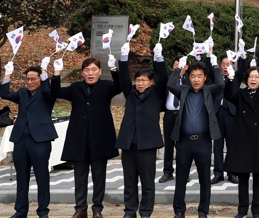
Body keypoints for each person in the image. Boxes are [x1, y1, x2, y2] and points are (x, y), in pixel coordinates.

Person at [51, 55, 121, 218]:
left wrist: (114, 69)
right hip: (79, 140)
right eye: (87, 70)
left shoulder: (106, 86)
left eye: (94, 70)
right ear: (82, 73)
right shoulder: (75, 88)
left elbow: (120, 87)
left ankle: (97, 209)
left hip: (100, 140)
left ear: (100, 71)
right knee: (80, 177)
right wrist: (56, 73)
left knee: (99, 176)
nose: (90, 73)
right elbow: (56, 92)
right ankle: (80, 208)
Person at [116, 43, 168, 218]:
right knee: (129, 181)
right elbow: (123, 78)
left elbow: (164, 78)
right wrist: (123, 58)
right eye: (138, 80)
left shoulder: (157, 94)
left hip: (147, 145)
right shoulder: (130, 92)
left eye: (144, 80)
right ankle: (130, 211)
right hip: (128, 144)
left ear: (151, 82)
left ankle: (145, 212)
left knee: (147, 183)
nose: (140, 83)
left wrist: (158, 58)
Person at [167, 57, 224, 218]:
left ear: (205, 77)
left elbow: (221, 84)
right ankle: (179, 210)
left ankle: (203, 210)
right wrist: (178, 69)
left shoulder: (210, 91)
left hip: (203, 141)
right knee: (181, 177)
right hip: (184, 141)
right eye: (193, 76)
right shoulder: (183, 90)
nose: (196, 79)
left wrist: (215, 65)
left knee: (204, 178)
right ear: (189, 77)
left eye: (199, 76)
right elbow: (170, 84)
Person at [1, 58, 56, 218]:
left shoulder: (47, 93)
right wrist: (7, 75)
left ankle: (43, 211)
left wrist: (44, 72)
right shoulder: (22, 93)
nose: (30, 82)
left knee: (42, 177)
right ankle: (21, 211)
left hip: (40, 140)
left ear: (40, 79)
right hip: (21, 140)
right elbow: (4, 93)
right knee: (22, 178)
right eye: (28, 79)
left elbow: (48, 90)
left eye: (33, 79)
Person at [224, 60, 259, 218]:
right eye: (251, 77)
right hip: (243, 141)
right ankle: (242, 210)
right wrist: (230, 79)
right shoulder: (241, 94)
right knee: (243, 179)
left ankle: (256, 210)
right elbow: (228, 95)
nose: (253, 79)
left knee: (258, 180)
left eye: (256, 77)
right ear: (246, 79)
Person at [160, 58, 188, 184]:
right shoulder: (168, 78)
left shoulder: (189, 79)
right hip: (169, 115)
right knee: (169, 144)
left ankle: (183, 172)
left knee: (182, 144)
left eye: (180, 65)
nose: (178, 67)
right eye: (176, 65)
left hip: (183, 115)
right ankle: (167, 171)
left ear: (186, 67)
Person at [212, 54, 239, 185]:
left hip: (231, 113)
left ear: (232, 65)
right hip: (217, 113)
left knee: (231, 144)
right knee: (217, 145)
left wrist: (242, 55)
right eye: (223, 64)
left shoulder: (236, 77)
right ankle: (218, 173)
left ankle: (232, 172)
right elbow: (209, 67)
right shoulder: (216, 77)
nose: (225, 67)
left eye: (228, 64)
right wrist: (210, 53)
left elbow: (243, 67)